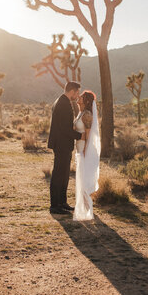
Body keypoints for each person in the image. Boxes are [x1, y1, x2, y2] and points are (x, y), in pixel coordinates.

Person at [48, 81, 82, 214]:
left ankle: (62, 202)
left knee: (64, 174)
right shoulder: (63, 104)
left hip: (62, 144)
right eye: (77, 92)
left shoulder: (61, 101)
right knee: (58, 174)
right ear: (72, 91)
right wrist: (80, 136)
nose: (77, 95)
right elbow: (64, 128)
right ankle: (55, 205)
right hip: (61, 144)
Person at [73, 90, 100, 221]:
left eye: (82, 97)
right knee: (80, 177)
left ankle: (88, 208)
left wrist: (85, 150)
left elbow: (89, 134)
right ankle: (84, 205)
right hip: (79, 146)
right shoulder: (80, 113)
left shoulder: (87, 114)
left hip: (84, 147)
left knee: (83, 177)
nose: (79, 97)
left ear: (87, 101)